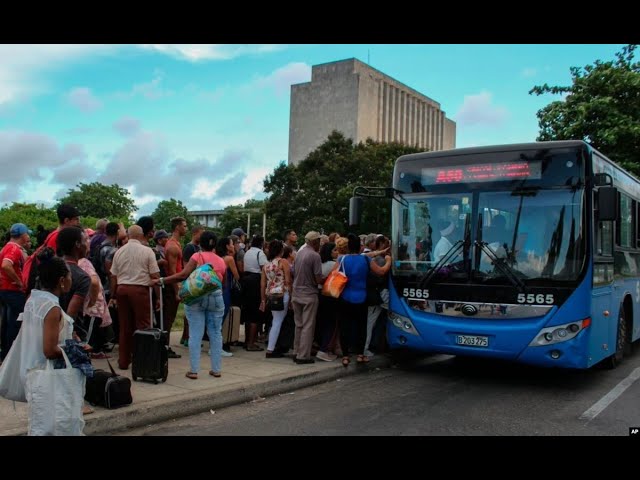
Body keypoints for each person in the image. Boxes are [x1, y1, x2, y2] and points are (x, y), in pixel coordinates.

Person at [18, 248, 85, 435]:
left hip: (34, 373)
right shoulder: (52, 307)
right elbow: (49, 349)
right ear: (62, 281)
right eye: (70, 276)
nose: (72, 279)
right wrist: (76, 350)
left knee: (40, 423)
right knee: (58, 424)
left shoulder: (33, 300)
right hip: (51, 378)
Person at [154, 231, 226, 380]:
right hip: (216, 297)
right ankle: (216, 369)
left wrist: (161, 280)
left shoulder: (196, 256)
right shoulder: (221, 260)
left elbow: (183, 275)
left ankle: (194, 371)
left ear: (200, 244)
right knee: (216, 333)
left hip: (196, 298)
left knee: (195, 333)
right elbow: (221, 283)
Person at [260, 240, 291, 359]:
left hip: (271, 295)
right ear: (281, 251)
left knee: (276, 321)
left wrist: (263, 300)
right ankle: (271, 349)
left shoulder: (265, 266)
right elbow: (288, 281)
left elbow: (262, 285)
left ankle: (272, 347)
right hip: (283, 294)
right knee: (277, 322)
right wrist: (291, 295)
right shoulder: (283, 262)